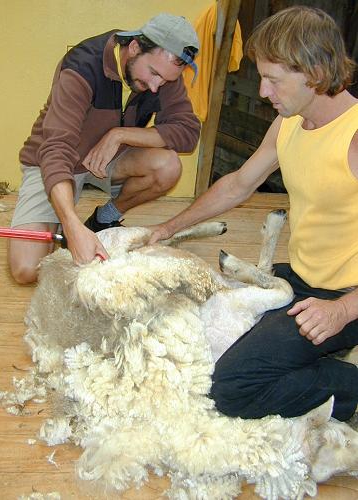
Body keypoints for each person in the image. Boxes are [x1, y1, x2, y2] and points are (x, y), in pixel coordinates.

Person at [149, 6, 358, 421]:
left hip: (342, 298)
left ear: (314, 71)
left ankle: (348, 386)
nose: (263, 92)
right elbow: (239, 184)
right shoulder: (290, 123)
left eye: (273, 80)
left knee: (230, 390)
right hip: (299, 278)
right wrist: (168, 227)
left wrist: (342, 311)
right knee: (201, 335)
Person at [9, 13, 200, 284]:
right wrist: (71, 225)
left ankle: (102, 221)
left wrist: (119, 134)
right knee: (26, 270)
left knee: (168, 166)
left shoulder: (164, 72)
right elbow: (55, 148)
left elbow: (188, 133)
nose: (157, 88)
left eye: (165, 81)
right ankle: (69, 227)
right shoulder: (82, 65)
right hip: (56, 161)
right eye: (154, 74)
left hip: (107, 160)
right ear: (134, 48)